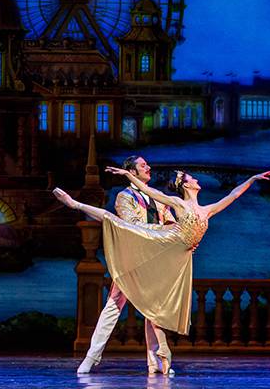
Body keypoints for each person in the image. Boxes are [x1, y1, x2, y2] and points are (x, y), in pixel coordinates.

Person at [53, 167, 270, 374]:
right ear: (186, 185)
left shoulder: (205, 210)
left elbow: (232, 195)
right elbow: (143, 202)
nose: (196, 179)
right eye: (191, 178)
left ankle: (158, 358)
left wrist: (252, 179)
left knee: (156, 305)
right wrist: (125, 175)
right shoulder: (169, 201)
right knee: (115, 228)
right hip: (149, 245)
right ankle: (75, 204)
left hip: (171, 255)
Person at [74, 156, 176, 375]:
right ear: (131, 171)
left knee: (155, 312)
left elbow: (171, 222)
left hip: (155, 259)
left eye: (148, 164)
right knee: (113, 306)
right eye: (142, 165)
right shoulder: (125, 196)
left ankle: (155, 361)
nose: (148, 167)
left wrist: (182, 236)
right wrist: (163, 231)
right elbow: (133, 225)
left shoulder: (158, 198)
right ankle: (91, 357)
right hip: (133, 259)